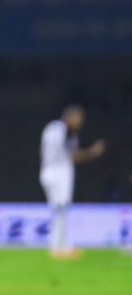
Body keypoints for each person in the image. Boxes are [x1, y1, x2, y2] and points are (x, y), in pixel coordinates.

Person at [39, 105, 106, 259]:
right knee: (60, 209)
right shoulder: (58, 129)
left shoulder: (68, 133)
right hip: (57, 172)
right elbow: (69, 155)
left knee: (61, 209)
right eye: (79, 118)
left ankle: (60, 246)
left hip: (54, 170)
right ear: (71, 117)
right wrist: (92, 152)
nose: (80, 122)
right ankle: (57, 249)